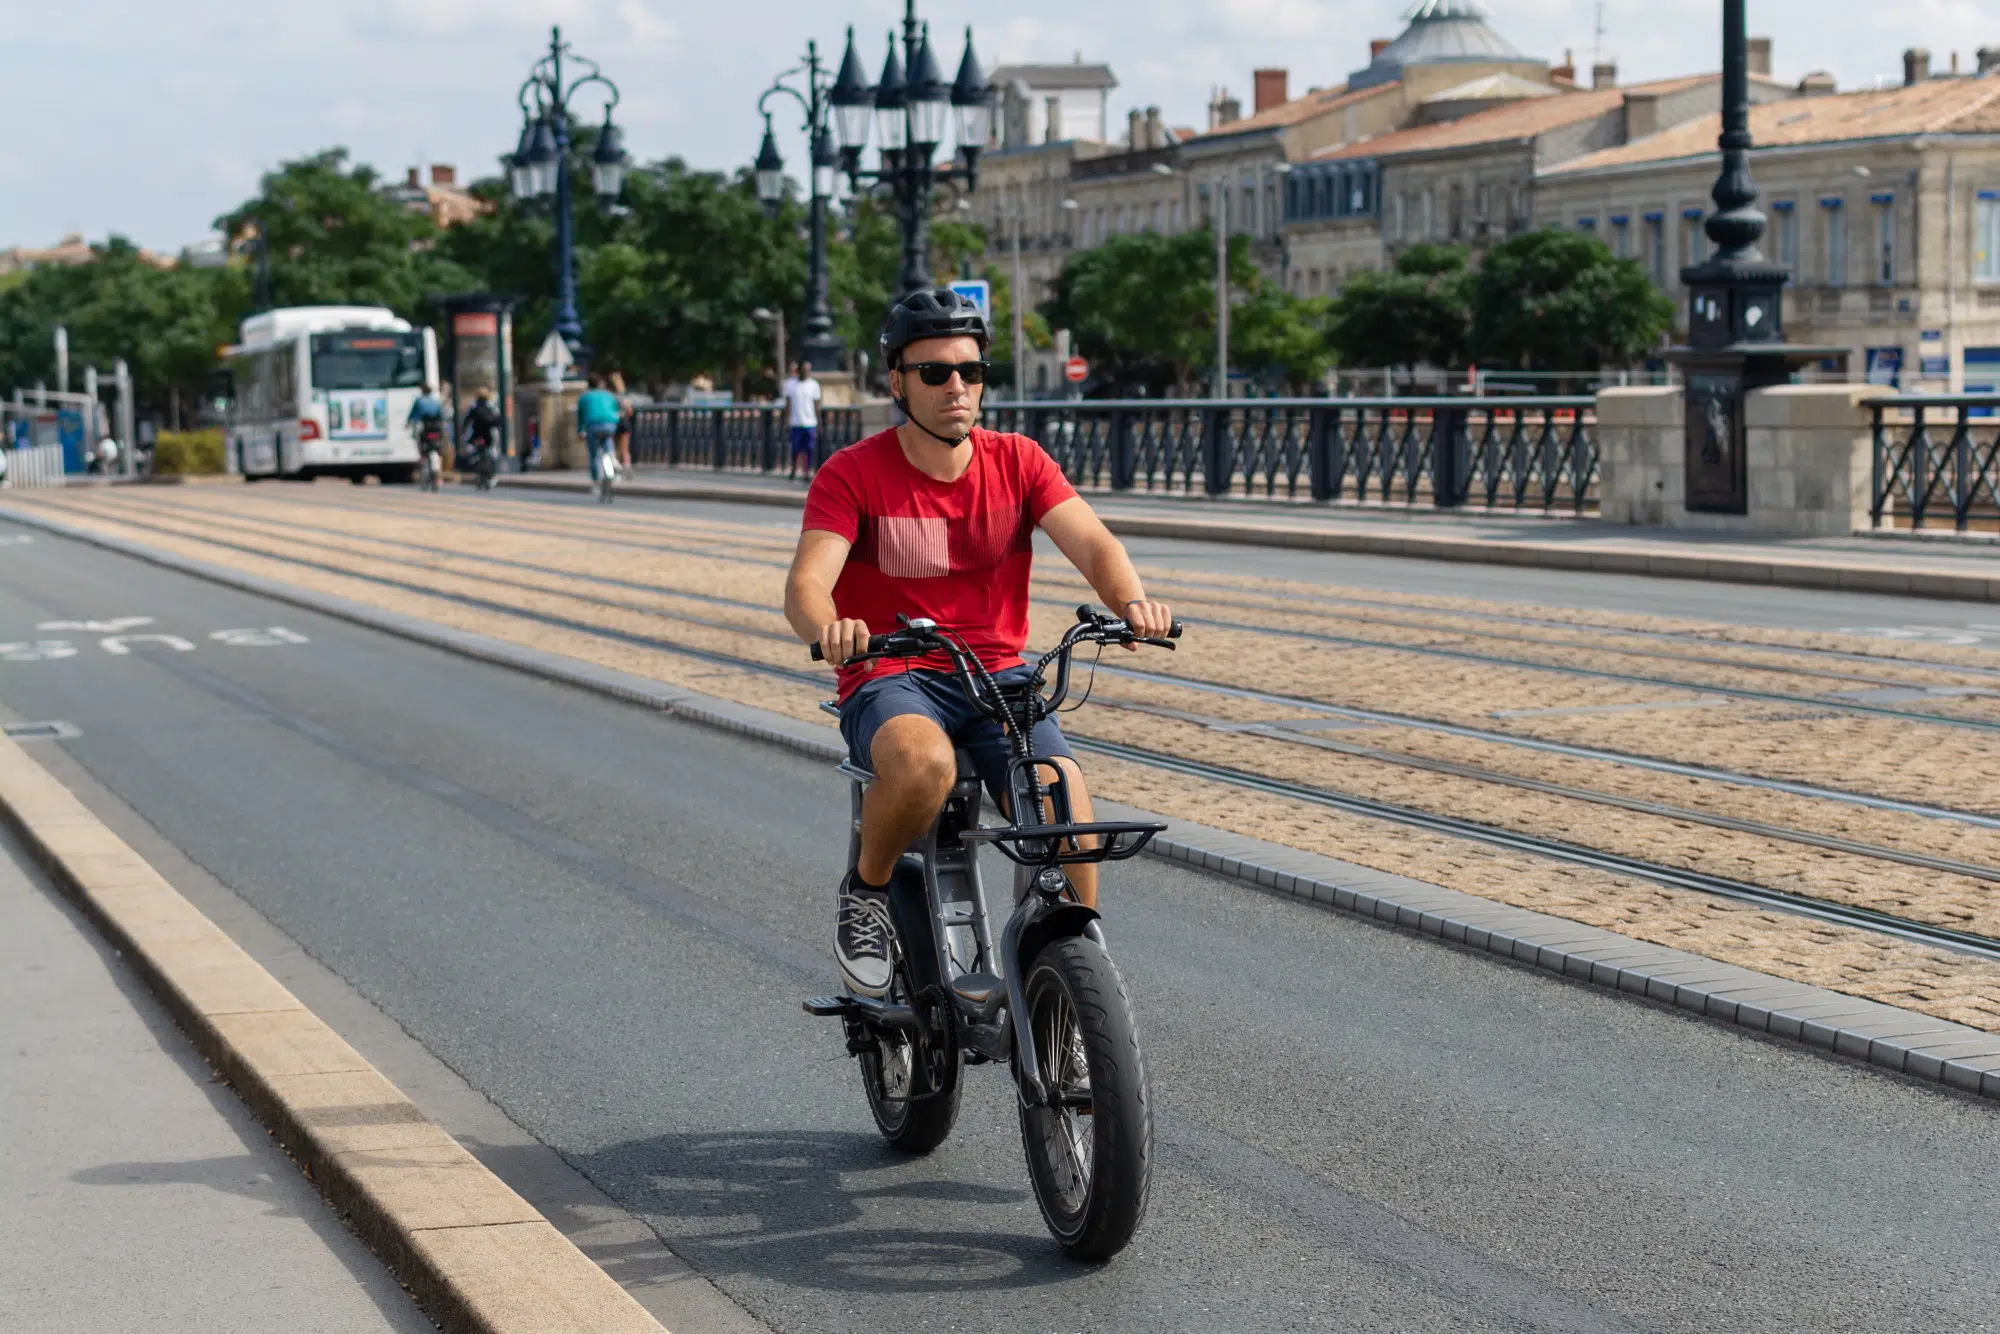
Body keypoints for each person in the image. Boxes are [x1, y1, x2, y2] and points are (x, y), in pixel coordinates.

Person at [783, 288, 1173, 998]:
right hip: (892, 671)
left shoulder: (1019, 461)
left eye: (970, 371)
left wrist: (1132, 603)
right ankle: (866, 893)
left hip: (997, 675)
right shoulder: (853, 473)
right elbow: (807, 585)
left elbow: (1093, 542)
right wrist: (830, 628)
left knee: (1065, 799)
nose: (956, 387)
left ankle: (1072, 974)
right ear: (897, 382)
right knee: (923, 765)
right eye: (934, 373)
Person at [781, 360, 822, 480]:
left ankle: (807, 471)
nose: (806, 372)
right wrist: (786, 420)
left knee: (809, 448)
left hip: (810, 422)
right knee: (795, 448)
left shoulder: (814, 385)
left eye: (808, 370)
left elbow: (817, 405)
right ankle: (794, 469)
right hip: (796, 422)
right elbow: (787, 405)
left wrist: (819, 423)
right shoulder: (790, 384)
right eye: (804, 370)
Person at [577, 374, 622, 483]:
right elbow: (616, 410)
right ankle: (613, 460)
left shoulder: (584, 397)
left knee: (594, 455)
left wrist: (580, 431)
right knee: (608, 443)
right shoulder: (608, 395)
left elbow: (580, 417)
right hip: (610, 424)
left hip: (593, 425)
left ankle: (596, 481)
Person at [462, 388, 502, 468]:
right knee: (492, 450)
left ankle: (474, 461)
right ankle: (493, 467)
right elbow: (498, 419)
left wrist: (463, 429)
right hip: (489, 433)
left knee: (470, 447)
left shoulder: (474, 406)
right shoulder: (492, 405)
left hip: (477, 433)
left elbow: (467, 420)